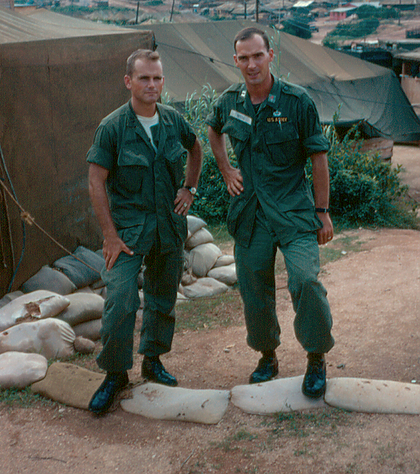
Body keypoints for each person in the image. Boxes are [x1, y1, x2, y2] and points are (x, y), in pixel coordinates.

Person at [206, 27, 334, 398]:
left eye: (257, 55)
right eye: (243, 58)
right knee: (253, 288)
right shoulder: (230, 100)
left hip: (293, 210)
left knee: (305, 280)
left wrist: (322, 211)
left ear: (270, 55)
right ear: (235, 61)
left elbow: (318, 157)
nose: (251, 64)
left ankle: (316, 357)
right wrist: (227, 169)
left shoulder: (297, 101)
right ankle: (267, 356)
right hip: (250, 213)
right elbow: (213, 130)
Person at [86, 49, 202, 415]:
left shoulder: (172, 120)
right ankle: (115, 374)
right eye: (144, 78)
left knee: (162, 297)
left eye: (157, 78)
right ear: (128, 82)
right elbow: (95, 181)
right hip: (128, 231)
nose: (151, 85)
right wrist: (108, 234)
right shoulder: (113, 127)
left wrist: (190, 188)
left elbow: (196, 148)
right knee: (120, 299)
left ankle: (153, 360)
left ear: (163, 81)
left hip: (167, 226)